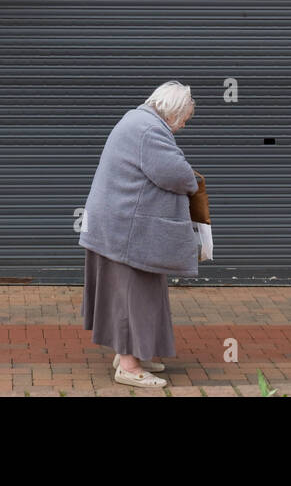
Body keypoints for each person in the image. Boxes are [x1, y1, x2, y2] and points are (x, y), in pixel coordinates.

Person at [79, 81, 201, 389]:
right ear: (172, 111)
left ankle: (130, 354)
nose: (184, 125)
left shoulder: (137, 119)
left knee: (134, 293)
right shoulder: (150, 130)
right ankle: (129, 367)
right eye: (184, 118)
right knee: (130, 296)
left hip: (117, 225)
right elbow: (177, 174)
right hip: (125, 231)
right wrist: (193, 179)